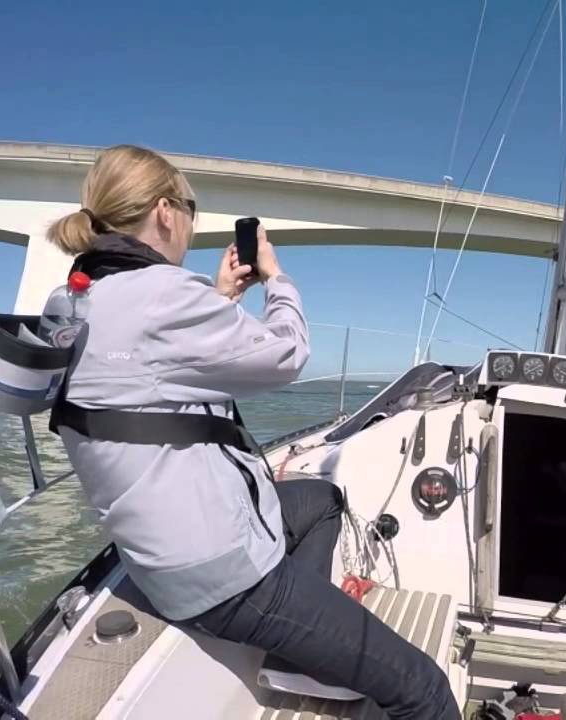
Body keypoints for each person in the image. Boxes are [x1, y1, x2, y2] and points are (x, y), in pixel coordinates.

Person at [45, 144, 459, 719]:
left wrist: (217, 301)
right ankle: (297, 629)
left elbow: (145, 371)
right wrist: (276, 278)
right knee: (425, 689)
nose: (190, 224)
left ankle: (292, 656)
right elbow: (287, 354)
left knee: (322, 498)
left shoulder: (73, 299)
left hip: (156, 557)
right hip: (224, 574)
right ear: (166, 211)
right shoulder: (165, 294)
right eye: (191, 209)